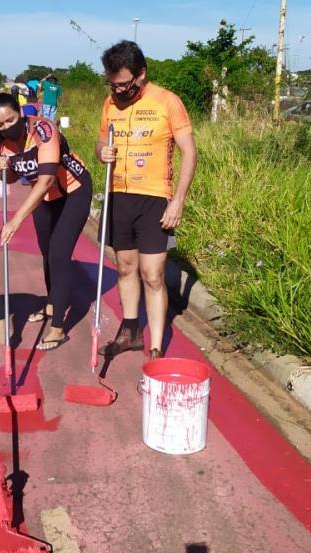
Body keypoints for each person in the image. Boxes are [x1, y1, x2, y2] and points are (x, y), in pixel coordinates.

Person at [96, 41, 197, 360]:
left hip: (154, 198)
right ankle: (129, 332)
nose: (119, 90)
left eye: (125, 83)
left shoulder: (168, 101)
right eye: (113, 84)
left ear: (142, 74)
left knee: (153, 275)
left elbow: (190, 153)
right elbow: (101, 141)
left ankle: (155, 346)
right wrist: (102, 152)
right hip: (118, 195)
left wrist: (177, 201)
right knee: (125, 268)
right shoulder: (109, 103)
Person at [0, 93, 93, 351]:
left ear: (20, 113)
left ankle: (58, 327)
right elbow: (12, 178)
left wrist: (15, 221)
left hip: (72, 191)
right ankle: (52, 304)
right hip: (44, 196)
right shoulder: (2, 142)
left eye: (10, 120)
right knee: (47, 254)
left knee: (59, 255)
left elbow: (46, 178)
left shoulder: (43, 129)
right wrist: (3, 168)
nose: (6, 127)